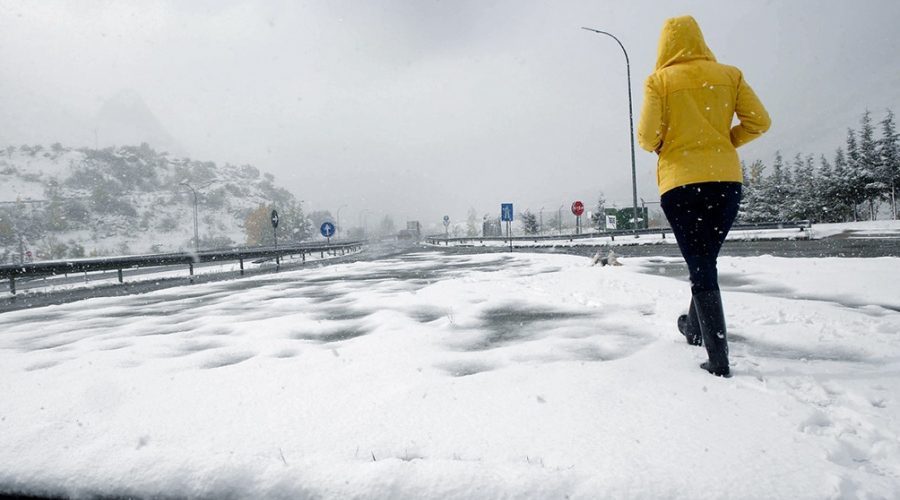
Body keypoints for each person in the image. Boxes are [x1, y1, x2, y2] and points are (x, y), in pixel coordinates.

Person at [637, 15, 771, 377]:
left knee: (701, 265)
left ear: (665, 44)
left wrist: (670, 145)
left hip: (681, 184)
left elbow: (646, 138)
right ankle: (694, 329)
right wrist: (725, 141)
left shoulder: (659, 81)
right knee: (705, 259)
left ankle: (719, 358)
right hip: (725, 182)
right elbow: (760, 121)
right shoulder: (730, 75)